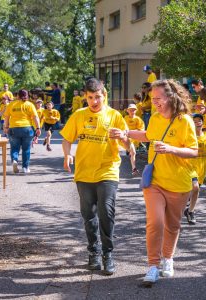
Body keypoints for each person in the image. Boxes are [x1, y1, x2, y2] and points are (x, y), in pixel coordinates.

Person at [109, 79, 198, 285]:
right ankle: (152, 266)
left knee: (173, 225)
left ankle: (168, 258)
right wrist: (126, 133)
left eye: (158, 99)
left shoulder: (184, 121)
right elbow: (148, 136)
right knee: (155, 223)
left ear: (170, 97)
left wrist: (171, 149)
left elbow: (194, 151)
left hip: (178, 182)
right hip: (154, 180)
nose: (154, 102)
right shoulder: (156, 118)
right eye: (152, 99)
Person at [60, 78, 130, 275]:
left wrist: (123, 138)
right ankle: (94, 252)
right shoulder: (79, 115)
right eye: (90, 97)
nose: (94, 101)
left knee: (106, 212)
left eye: (97, 97)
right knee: (88, 215)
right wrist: (67, 155)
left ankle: (108, 254)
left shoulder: (114, 115)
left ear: (104, 94)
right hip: (83, 172)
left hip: (108, 170)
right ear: (85, 97)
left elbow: (128, 145)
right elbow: (66, 139)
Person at [185, 113, 206, 225]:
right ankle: (191, 211)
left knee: (195, 189)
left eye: (199, 121)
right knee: (195, 188)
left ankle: (189, 209)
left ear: (202, 123)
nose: (197, 123)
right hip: (191, 164)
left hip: (203, 165)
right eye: (194, 121)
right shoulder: (188, 136)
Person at [3, 89, 41, 173]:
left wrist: (6, 127)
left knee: (14, 147)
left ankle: (15, 160)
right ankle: (25, 168)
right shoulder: (30, 105)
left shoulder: (11, 104)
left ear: (17, 96)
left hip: (14, 128)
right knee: (26, 149)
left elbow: (6, 117)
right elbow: (35, 117)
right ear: (27, 95)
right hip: (27, 129)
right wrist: (38, 128)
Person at [124, 104, 145, 175]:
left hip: (135, 139)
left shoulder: (138, 119)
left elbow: (141, 129)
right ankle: (134, 168)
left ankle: (128, 150)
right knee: (133, 153)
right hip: (127, 138)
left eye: (133, 110)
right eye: (130, 110)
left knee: (132, 153)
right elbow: (121, 126)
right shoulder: (125, 118)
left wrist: (133, 132)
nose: (132, 111)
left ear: (136, 111)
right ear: (127, 110)